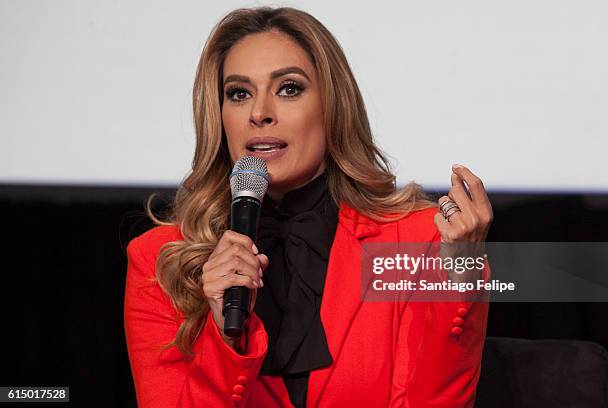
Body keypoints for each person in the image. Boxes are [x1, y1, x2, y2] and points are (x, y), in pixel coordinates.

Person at [124, 6, 494, 408]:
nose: (259, 112)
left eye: (288, 89)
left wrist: (459, 276)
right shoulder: (161, 261)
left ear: (333, 106)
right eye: (239, 93)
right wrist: (221, 333)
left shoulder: (419, 241)